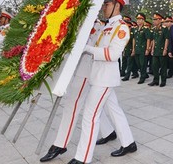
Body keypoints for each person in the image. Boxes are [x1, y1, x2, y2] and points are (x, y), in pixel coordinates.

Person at [67, 0, 136, 164]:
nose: (103, 7)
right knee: (114, 109)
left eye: (106, 4)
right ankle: (129, 143)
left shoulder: (121, 27)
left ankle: (82, 158)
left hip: (105, 78)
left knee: (90, 115)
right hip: (98, 75)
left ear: (116, 6)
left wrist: (87, 49)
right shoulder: (107, 26)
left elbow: (112, 55)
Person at [39, 20, 117, 162]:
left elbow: (97, 48)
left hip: (91, 70)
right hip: (85, 70)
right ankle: (114, 135)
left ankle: (62, 145)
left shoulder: (102, 25)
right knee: (98, 107)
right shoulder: (83, 21)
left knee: (81, 108)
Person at [148, 13, 169, 87]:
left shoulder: (164, 28)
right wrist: (152, 49)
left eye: (155, 19)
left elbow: (167, 39)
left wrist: (165, 49)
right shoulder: (153, 29)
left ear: (160, 20)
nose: (154, 21)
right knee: (154, 65)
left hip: (162, 49)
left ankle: (163, 81)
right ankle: (155, 80)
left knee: (163, 66)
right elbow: (153, 40)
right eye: (153, 20)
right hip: (156, 50)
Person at [133, 13, 152, 84]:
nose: (138, 21)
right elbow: (134, 39)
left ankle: (142, 77)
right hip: (137, 49)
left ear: (143, 20)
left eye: (139, 19)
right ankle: (145, 74)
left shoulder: (146, 29)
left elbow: (148, 39)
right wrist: (133, 48)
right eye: (137, 19)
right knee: (138, 63)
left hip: (143, 49)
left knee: (143, 64)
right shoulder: (135, 29)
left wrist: (147, 49)